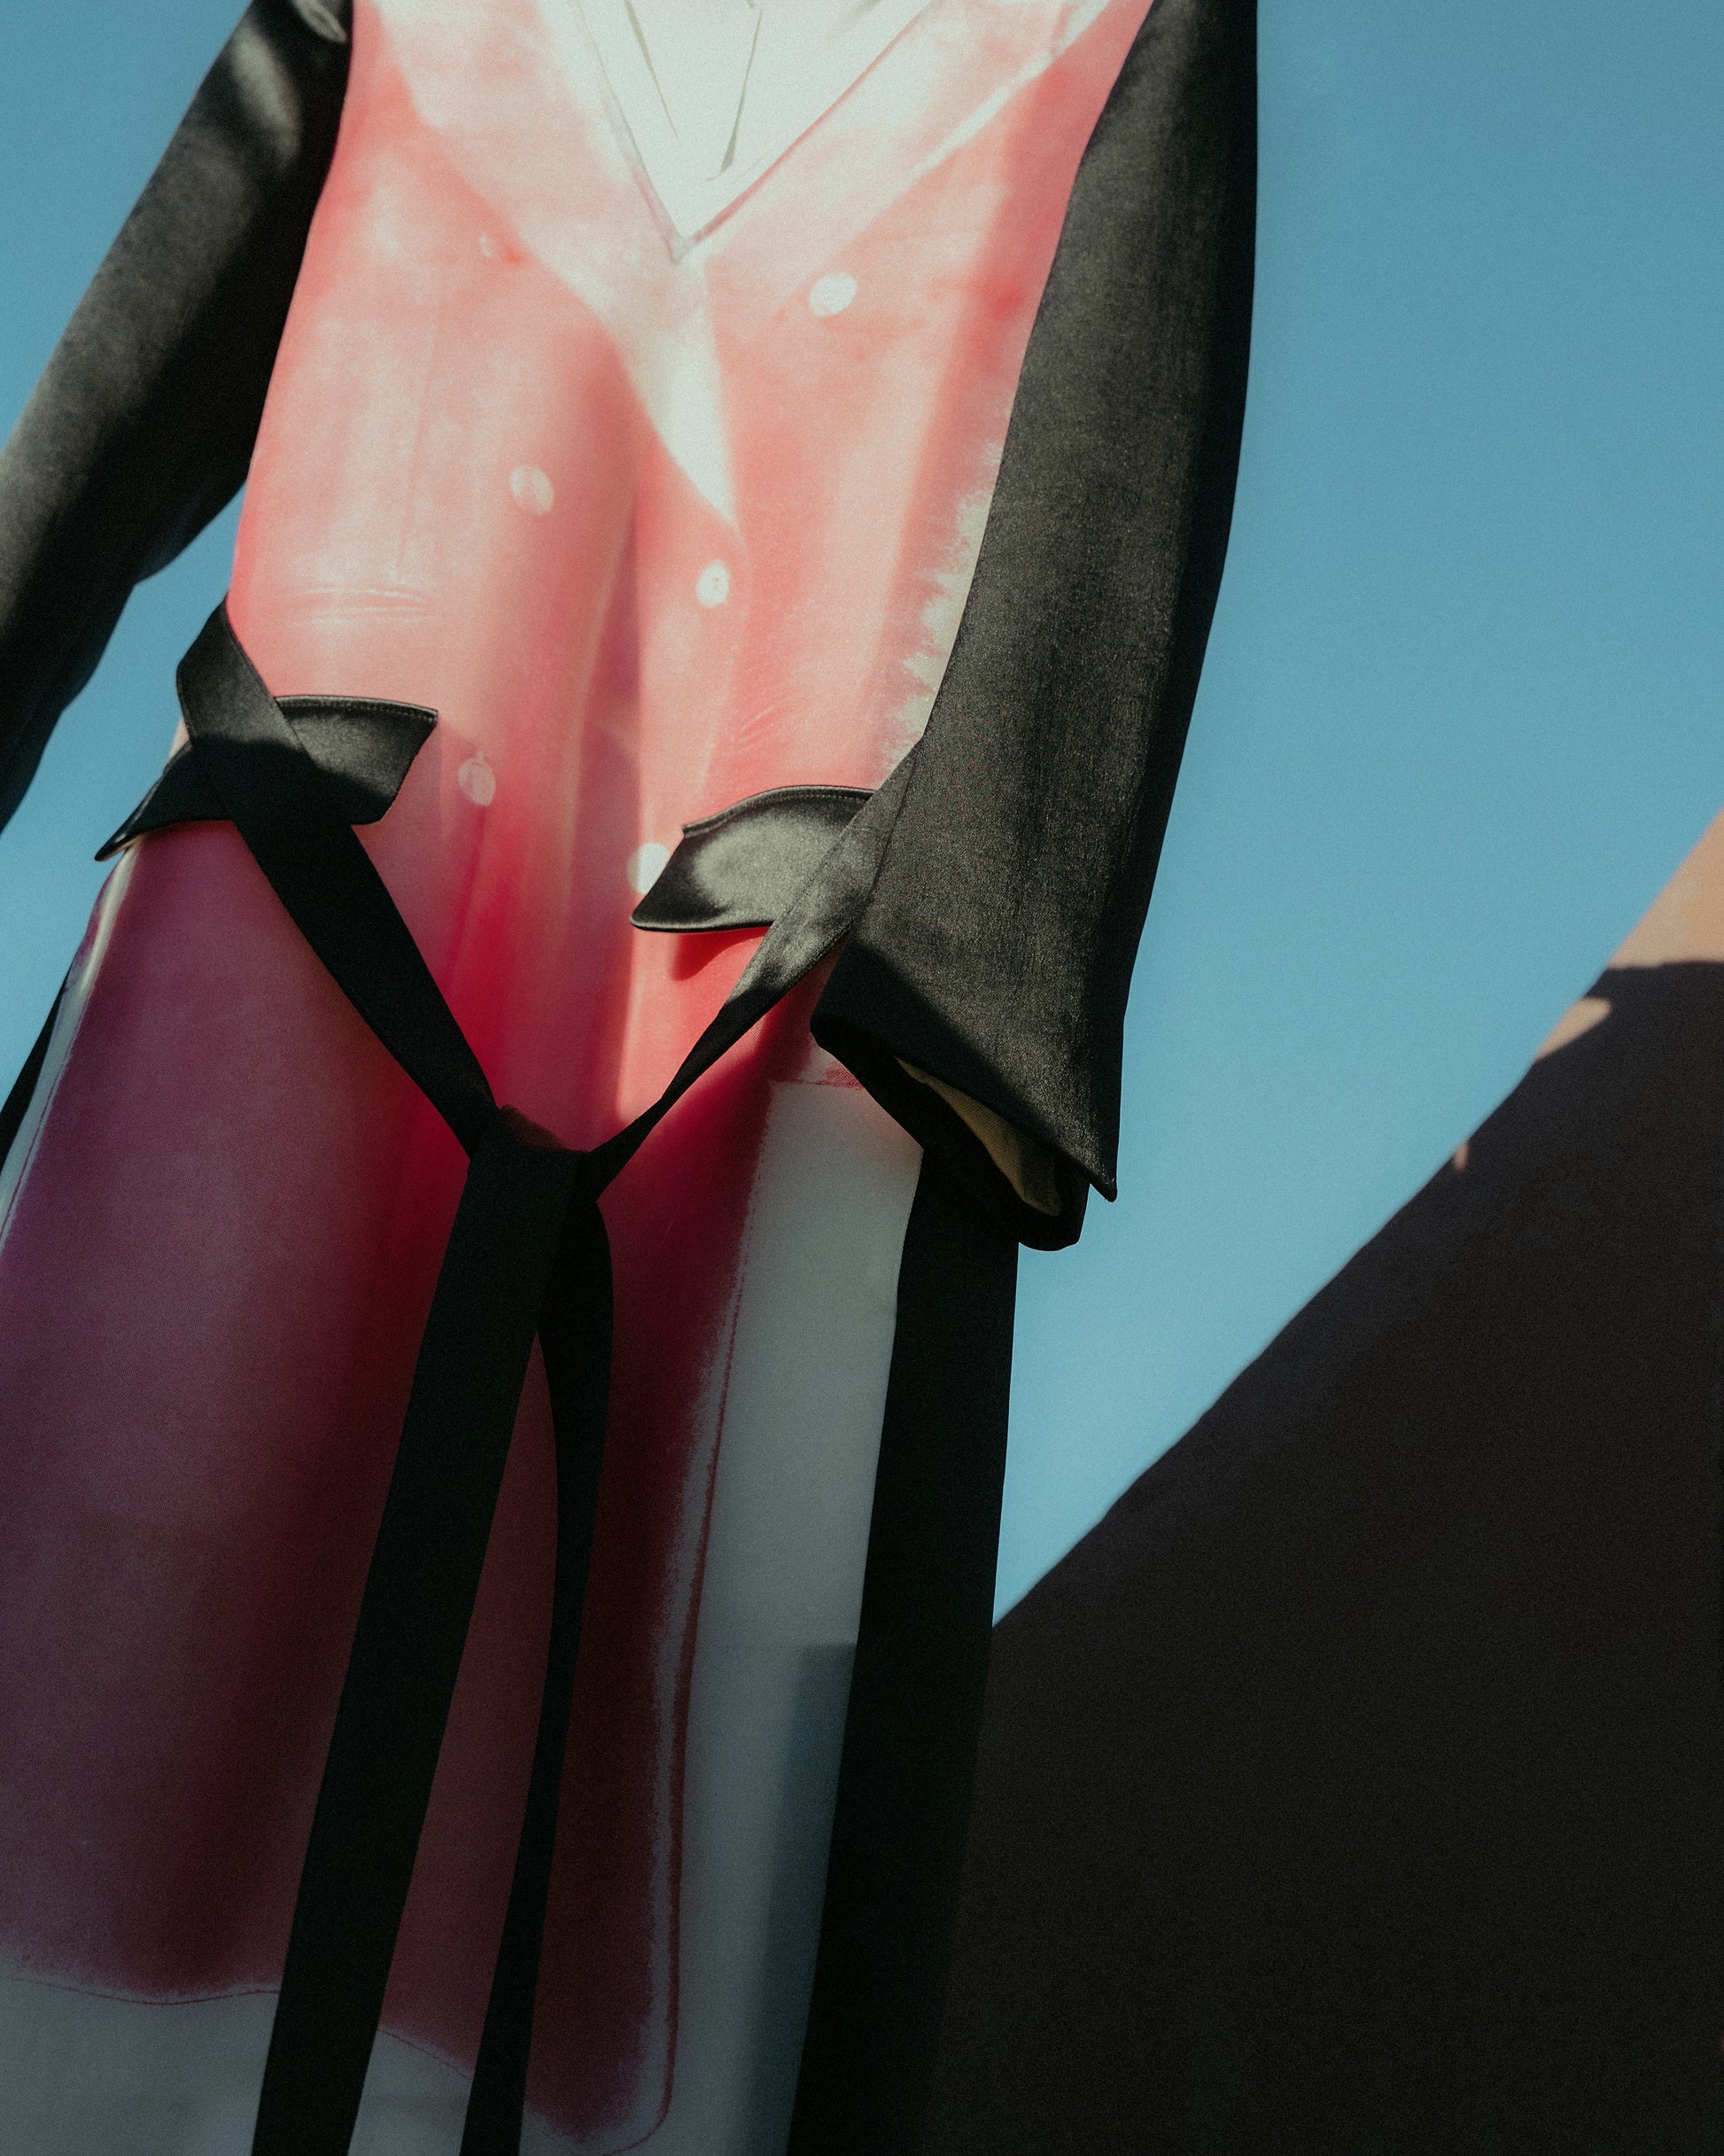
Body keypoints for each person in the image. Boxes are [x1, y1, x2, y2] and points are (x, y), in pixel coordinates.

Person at [0, 0, 1255, 2148]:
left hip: (771, 1034)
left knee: (651, 1831)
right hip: (292, 942)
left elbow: (1119, 420)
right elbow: (154, 335)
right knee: (97, 1642)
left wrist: (972, 1009)